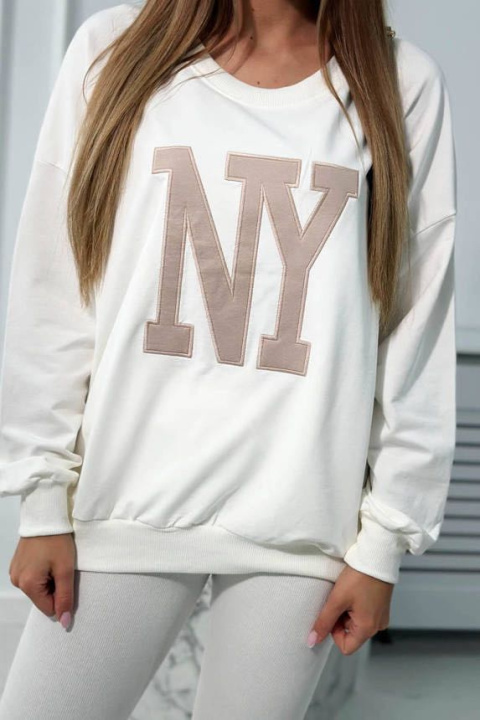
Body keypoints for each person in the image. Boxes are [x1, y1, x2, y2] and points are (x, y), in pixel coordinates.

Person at [0, 0, 457, 718]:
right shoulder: (114, 49)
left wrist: (383, 546)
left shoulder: (400, 82)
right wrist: (40, 502)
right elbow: (53, 289)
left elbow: (413, 327)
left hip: (300, 522)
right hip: (126, 502)